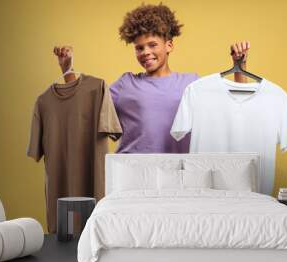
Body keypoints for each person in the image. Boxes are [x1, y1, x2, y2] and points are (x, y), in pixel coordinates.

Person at [53, 3, 251, 153]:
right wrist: (66, 67)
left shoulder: (191, 83)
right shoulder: (125, 85)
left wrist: (240, 66)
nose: (145, 52)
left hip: (180, 177)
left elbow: (236, 106)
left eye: (152, 45)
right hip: (131, 176)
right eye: (139, 48)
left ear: (169, 45)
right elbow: (84, 109)